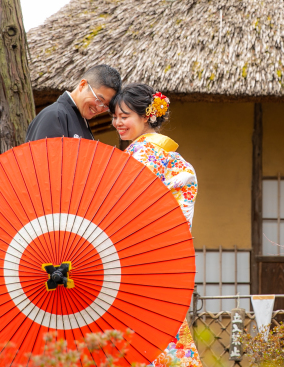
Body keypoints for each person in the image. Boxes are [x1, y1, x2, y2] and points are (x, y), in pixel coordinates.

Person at [110, 83, 201, 367]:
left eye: (125, 116)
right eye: (115, 116)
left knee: (138, 338)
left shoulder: (141, 157)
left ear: (146, 116)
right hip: (165, 257)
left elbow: (125, 212)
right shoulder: (172, 157)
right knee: (165, 334)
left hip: (138, 260)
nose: (117, 123)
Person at [26, 64, 122, 142]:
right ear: (83, 85)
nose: (100, 108)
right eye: (99, 100)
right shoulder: (54, 115)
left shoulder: (80, 119)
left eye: (106, 106)